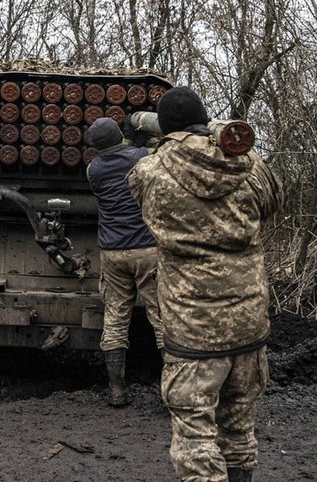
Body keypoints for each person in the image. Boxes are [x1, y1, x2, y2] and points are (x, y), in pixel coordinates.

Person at [127, 87, 283, 482]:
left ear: (164, 127)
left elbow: (140, 194)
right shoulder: (247, 163)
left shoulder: (149, 171)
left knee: (195, 429)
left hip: (192, 323)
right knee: (238, 423)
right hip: (248, 317)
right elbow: (274, 201)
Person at [84, 117, 164, 407]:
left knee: (116, 317)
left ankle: (117, 390)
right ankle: (171, 391)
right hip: (146, 249)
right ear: (121, 135)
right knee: (161, 318)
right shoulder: (142, 157)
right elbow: (163, 150)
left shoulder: (93, 170)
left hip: (112, 251)